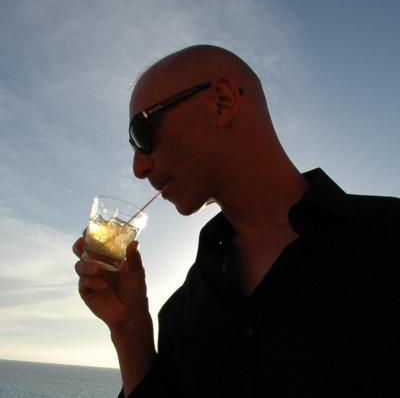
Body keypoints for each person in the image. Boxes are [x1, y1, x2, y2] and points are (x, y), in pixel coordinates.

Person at [74, 45, 400, 397]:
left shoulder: (390, 239)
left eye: (143, 134)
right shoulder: (184, 310)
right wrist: (129, 329)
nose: (139, 168)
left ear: (222, 101)